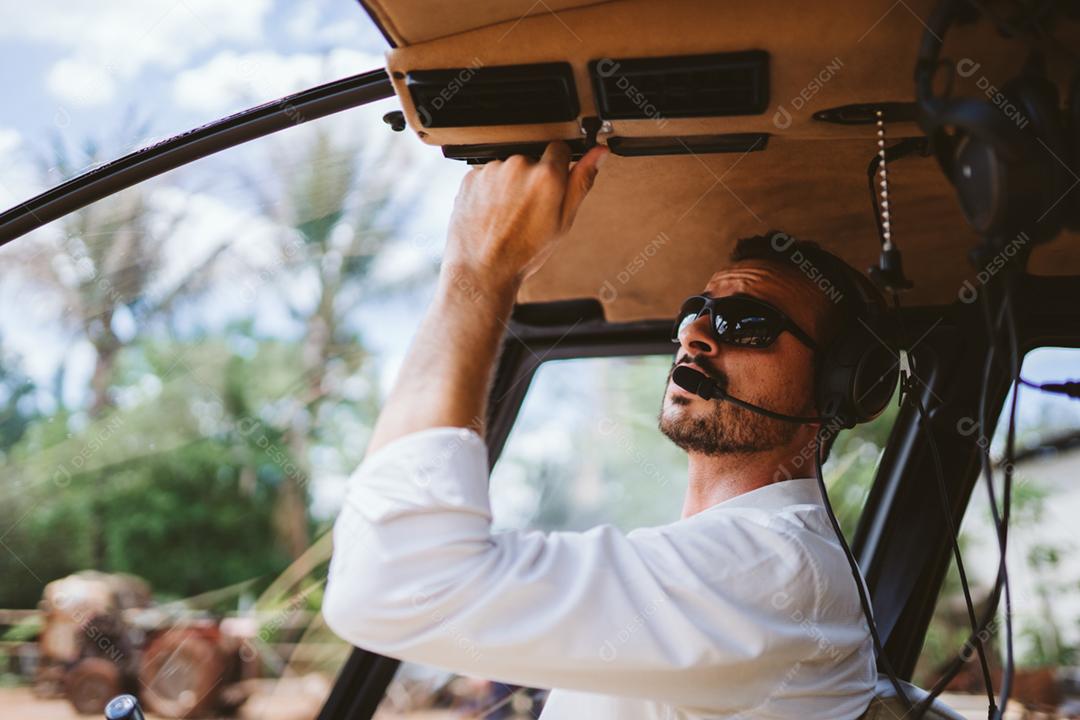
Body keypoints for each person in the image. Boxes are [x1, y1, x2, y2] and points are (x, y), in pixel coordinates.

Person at [323, 141, 879, 718]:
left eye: (748, 323)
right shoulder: (725, 558)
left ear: (837, 386)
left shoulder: (776, 569)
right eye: (698, 312)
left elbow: (388, 582)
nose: (696, 337)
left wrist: (477, 269)